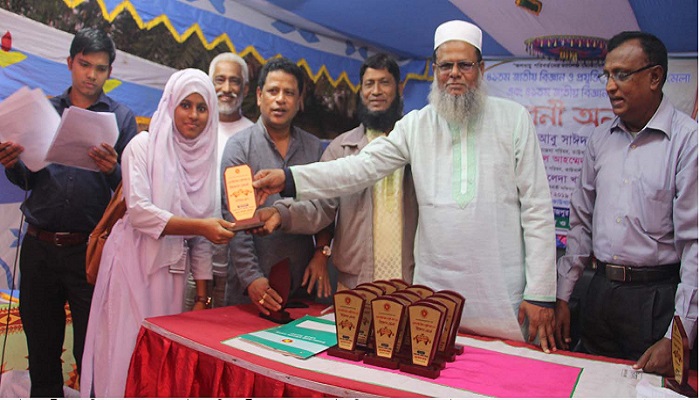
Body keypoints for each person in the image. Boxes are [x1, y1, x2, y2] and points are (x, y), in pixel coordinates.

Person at [253, 20, 557, 352]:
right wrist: (290, 178)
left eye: (465, 65)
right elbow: (359, 167)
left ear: (481, 69)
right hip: (434, 296)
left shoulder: (514, 119)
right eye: (446, 66)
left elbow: (537, 208)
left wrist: (540, 293)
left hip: (502, 292)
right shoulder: (416, 125)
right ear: (435, 71)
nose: (454, 74)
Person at [80, 68, 236, 397]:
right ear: (170, 105)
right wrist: (201, 227)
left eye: (202, 107)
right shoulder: (142, 146)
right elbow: (140, 213)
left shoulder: (206, 160)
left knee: (156, 360)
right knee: (124, 351)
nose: (194, 115)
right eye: (185, 105)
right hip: (131, 264)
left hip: (172, 274)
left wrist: (203, 298)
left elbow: (203, 239)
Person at [0, 28, 137, 397]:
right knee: (42, 352)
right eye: (84, 64)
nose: (91, 75)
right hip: (39, 246)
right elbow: (27, 178)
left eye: (100, 68)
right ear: (70, 63)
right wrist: (12, 163)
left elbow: (132, 191)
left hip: (90, 251)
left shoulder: (122, 118)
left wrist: (112, 169)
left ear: (110, 72)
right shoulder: (44, 110)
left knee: (91, 355)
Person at [554, 31, 697, 376]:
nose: (610, 86)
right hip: (599, 292)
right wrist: (562, 296)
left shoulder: (688, 142)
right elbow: (581, 223)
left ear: (655, 77)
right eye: (607, 74)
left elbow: (696, 245)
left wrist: (679, 335)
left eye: (621, 74)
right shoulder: (600, 139)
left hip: (655, 300)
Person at [255, 53, 418, 290]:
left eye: (384, 83)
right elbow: (320, 207)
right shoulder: (341, 148)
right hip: (355, 284)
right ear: (361, 90)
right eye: (369, 84)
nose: (376, 91)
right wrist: (282, 215)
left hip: (410, 283)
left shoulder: (416, 145)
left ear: (400, 88)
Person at [222, 57, 327, 313]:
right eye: (273, 91)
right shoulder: (239, 147)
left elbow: (326, 208)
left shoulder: (314, 148)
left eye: (289, 93)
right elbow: (235, 219)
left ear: (299, 100)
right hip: (249, 291)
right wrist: (252, 279)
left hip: (302, 285)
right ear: (259, 96)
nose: (280, 99)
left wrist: (321, 254)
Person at [184, 52, 253, 310]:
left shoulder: (253, 135)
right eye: (220, 80)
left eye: (234, 81)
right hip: (189, 258)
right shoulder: (191, 127)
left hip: (235, 263)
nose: (226, 88)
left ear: (246, 88)